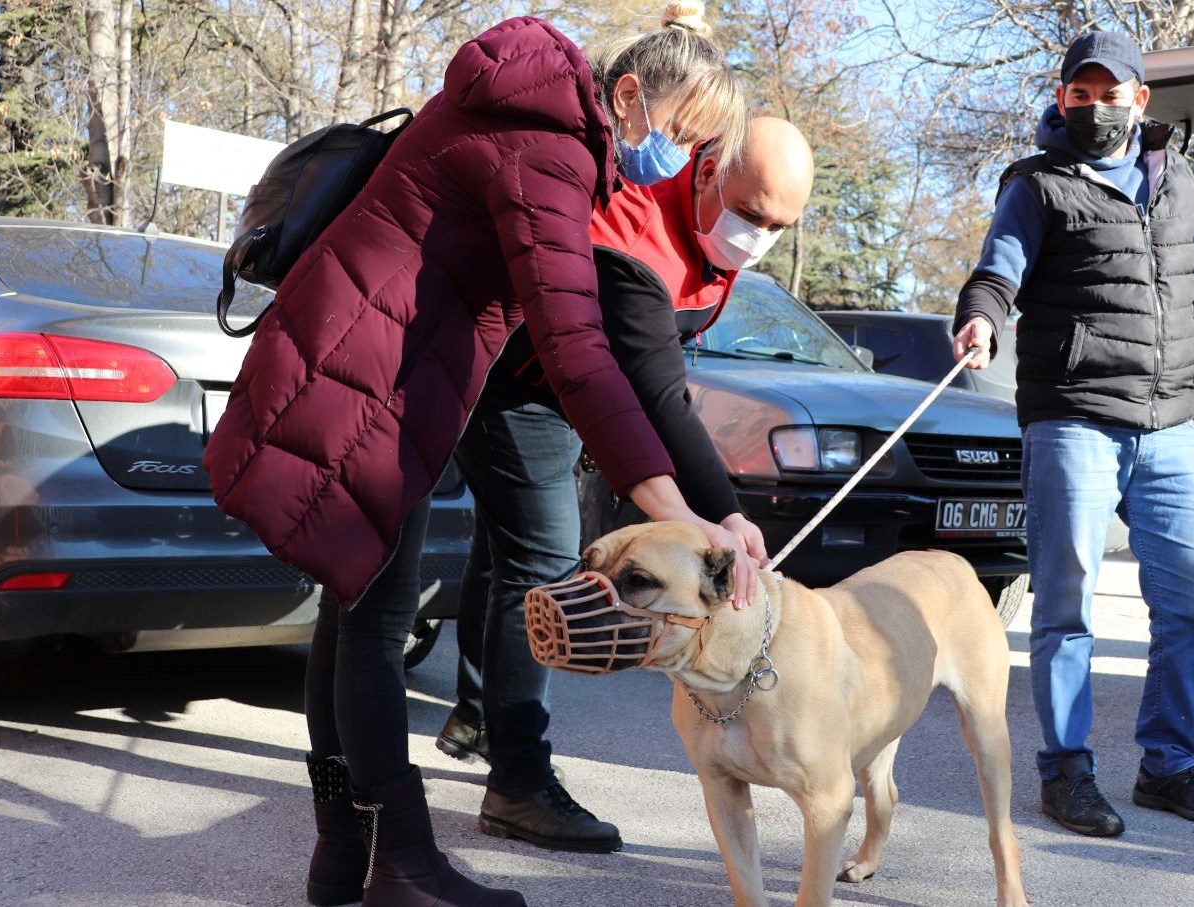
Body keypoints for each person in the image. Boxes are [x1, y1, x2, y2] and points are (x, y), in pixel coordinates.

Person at [203, 7, 750, 907]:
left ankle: (343, 846)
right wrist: (671, 507)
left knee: (348, 626)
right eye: (681, 134)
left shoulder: (523, 113)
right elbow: (577, 349)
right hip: (368, 384)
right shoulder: (550, 149)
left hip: (367, 366)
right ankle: (403, 861)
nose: (678, 161)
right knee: (373, 630)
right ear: (627, 96)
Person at [435, 116, 815, 853]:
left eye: (778, 224)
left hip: (568, 391)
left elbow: (661, 374)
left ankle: (482, 716)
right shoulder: (637, 235)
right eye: (751, 212)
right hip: (511, 387)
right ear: (707, 173)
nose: (758, 235)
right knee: (543, 557)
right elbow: (659, 393)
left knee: (506, 545)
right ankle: (517, 782)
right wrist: (724, 516)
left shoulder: (709, 229)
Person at [951, 30, 1194, 839]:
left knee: (1189, 608)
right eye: (1078, 95)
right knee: (1068, 605)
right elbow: (996, 271)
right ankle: (1066, 770)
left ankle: (1170, 765)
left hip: (1172, 428)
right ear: (1061, 100)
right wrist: (979, 320)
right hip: (1073, 419)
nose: (1094, 107)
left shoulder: (1180, 182)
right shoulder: (1037, 185)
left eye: (1109, 93)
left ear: (1139, 99)